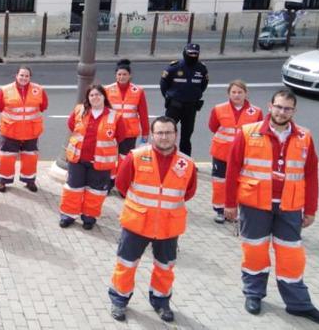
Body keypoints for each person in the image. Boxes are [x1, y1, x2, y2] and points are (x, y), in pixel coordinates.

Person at [224, 90, 319, 325]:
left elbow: (311, 175)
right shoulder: (248, 132)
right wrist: (230, 204)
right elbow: (232, 170)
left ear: (294, 111)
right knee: (255, 252)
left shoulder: (304, 136)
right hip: (254, 204)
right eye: (278, 107)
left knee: (292, 256)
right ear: (270, 106)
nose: (282, 112)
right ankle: (253, 294)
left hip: (290, 206)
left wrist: (311, 209)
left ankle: (298, 305)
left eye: (287, 109)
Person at [108, 116, 197, 323]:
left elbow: (189, 192)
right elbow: (121, 184)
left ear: (176, 135)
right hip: (136, 223)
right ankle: (119, 300)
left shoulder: (187, 163)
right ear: (152, 135)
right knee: (126, 264)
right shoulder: (136, 156)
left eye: (168, 133)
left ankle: (161, 301)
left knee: (165, 268)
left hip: (168, 226)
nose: (164, 137)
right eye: (160, 133)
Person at [59, 84, 125, 230]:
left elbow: (121, 136)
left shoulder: (115, 116)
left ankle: (89, 217)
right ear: (88, 98)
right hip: (77, 159)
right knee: (73, 188)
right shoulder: (79, 110)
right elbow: (71, 126)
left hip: (100, 163)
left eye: (98, 95)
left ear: (104, 97)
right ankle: (68, 215)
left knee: (95, 191)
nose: (95, 97)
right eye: (92, 95)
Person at [207, 80, 262, 223]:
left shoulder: (256, 112)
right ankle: (220, 210)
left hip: (243, 155)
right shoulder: (219, 109)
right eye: (234, 92)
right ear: (229, 94)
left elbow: (259, 133)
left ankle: (234, 210)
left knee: (239, 183)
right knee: (220, 183)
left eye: (240, 92)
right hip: (221, 154)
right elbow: (213, 127)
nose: (237, 95)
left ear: (246, 93)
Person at [0, 66, 48, 192]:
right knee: (6, 158)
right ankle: (3, 181)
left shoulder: (39, 90)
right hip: (10, 131)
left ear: (30, 77)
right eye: (21, 75)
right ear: (16, 75)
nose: (24, 78)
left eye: (26, 76)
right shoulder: (5, 90)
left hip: (31, 132)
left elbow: (44, 105)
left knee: (30, 158)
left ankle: (29, 181)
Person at [160, 43, 208, 156]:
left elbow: (203, 85)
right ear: (185, 53)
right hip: (174, 106)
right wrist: (169, 97)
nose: (193, 55)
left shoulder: (201, 69)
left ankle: (185, 161)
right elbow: (163, 84)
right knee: (167, 133)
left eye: (195, 54)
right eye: (190, 53)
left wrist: (195, 95)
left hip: (191, 107)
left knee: (186, 137)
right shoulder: (174, 67)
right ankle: (164, 157)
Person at [104, 59, 149, 157]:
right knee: (111, 157)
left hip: (130, 132)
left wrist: (145, 134)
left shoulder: (138, 91)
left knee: (125, 159)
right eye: (119, 74)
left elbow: (143, 114)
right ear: (116, 75)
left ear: (130, 75)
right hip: (112, 130)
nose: (122, 77)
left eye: (124, 74)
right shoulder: (107, 90)